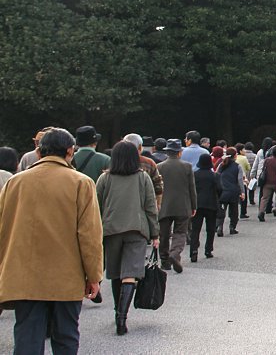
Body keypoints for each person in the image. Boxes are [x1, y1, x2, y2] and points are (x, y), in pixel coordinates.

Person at [0, 127, 104, 354]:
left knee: (27, 336)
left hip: (23, 276)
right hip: (67, 276)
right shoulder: (81, 183)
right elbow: (89, 235)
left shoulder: (14, 183)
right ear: (70, 151)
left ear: (38, 152)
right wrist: (94, 275)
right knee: (65, 336)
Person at [95, 141, 159, 336]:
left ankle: (116, 311)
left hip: (111, 230)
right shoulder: (143, 178)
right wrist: (155, 233)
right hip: (137, 230)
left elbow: (96, 206)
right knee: (130, 273)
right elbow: (150, 207)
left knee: (115, 273)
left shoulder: (104, 178)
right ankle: (122, 317)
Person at [157, 139, 197, 273]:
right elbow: (192, 188)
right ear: (180, 152)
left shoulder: (159, 167)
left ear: (167, 152)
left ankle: (164, 260)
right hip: (183, 204)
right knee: (180, 232)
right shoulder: (187, 166)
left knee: (164, 234)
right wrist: (193, 205)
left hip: (164, 205)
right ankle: (174, 254)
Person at [191, 154, 220, 262]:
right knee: (210, 229)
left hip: (197, 204)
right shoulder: (215, 175)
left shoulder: (195, 175)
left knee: (195, 229)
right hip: (211, 204)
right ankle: (208, 250)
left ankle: (193, 251)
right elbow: (220, 189)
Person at [123, 133, 165, 210]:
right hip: (145, 204)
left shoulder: (117, 162)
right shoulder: (149, 163)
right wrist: (158, 204)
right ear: (139, 147)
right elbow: (158, 186)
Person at [217, 147, 244, 235]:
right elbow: (240, 180)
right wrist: (242, 192)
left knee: (221, 210)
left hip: (222, 190)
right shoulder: (237, 166)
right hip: (233, 191)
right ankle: (232, 227)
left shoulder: (221, 165)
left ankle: (219, 227)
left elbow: (216, 176)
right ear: (235, 155)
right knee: (234, 211)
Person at [258, 147, 276, 221]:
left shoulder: (267, 160)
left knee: (264, 198)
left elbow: (264, 170)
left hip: (267, 182)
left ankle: (261, 212)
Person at [234, 143, 251, 219]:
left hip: (233, 180)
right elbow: (248, 168)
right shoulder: (244, 158)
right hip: (242, 178)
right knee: (244, 196)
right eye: (244, 149)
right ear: (240, 151)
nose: (245, 151)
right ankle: (243, 213)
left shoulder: (234, 158)